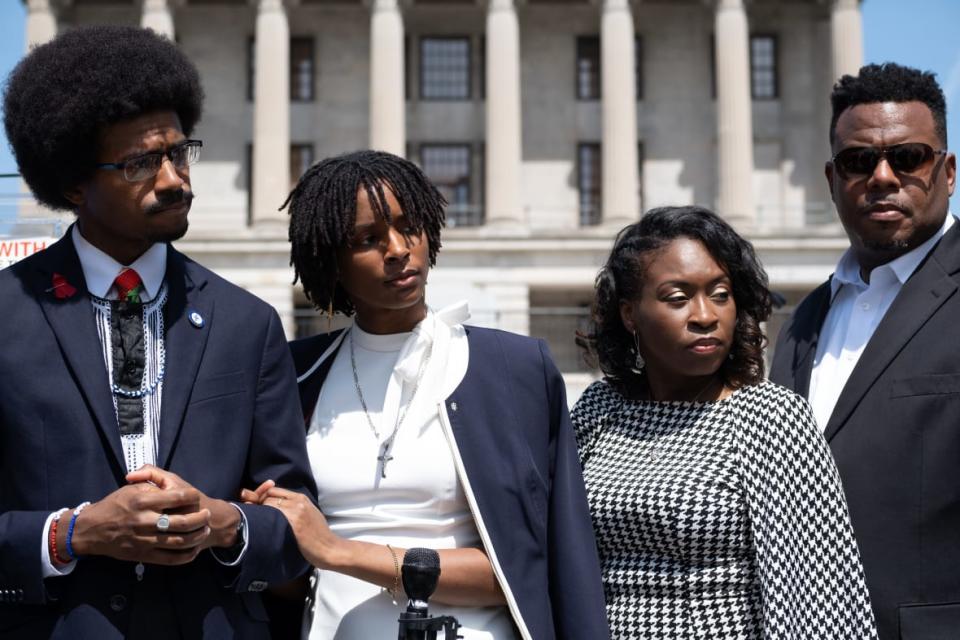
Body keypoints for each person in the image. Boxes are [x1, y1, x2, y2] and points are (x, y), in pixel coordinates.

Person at [0, 26, 316, 638]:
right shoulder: (6, 315)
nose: (174, 180)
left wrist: (225, 525)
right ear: (73, 184)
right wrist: (73, 534)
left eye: (179, 153)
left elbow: (295, 529)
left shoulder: (247, 323)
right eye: (141, 163)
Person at [240, 149, 609, 639]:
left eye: (407, 226)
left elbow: (532, 565)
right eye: (367, 239)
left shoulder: (513, 369)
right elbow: (283, 570)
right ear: (331, 262)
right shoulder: (295, 373)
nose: (397, 249)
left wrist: (339, 552)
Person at [572, 206, 877, 639]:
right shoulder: (599, 409)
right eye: (678, 298)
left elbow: (822, 598)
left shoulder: (771, 418)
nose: (705, 316)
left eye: (720, 294)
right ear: (629, 313)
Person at [770, 63, 959, 639]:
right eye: (858, 161)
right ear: (831, 179)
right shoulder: (803, 321)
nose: (882, 176)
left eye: (908, 157)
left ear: (947, 172)